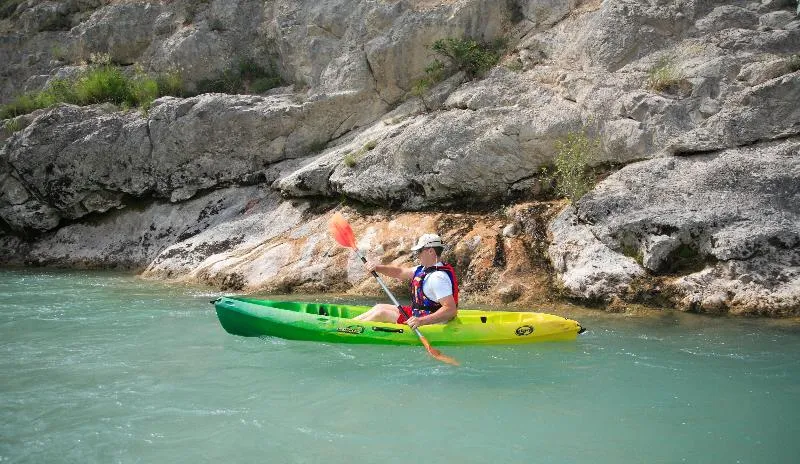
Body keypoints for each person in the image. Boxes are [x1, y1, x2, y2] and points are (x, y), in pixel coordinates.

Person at [353, 233, 459, 330]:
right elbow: (399, 272)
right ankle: (350, 323)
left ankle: (350, 329)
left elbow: (450, 310)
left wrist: (421, 321)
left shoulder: (437, 277)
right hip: (420, 314)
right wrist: (377, 268)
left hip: (432, 322)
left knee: (382, 313)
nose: (417, 255)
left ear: (430, 251)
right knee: (379, 307)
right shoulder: (423, 269)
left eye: (419, 251)